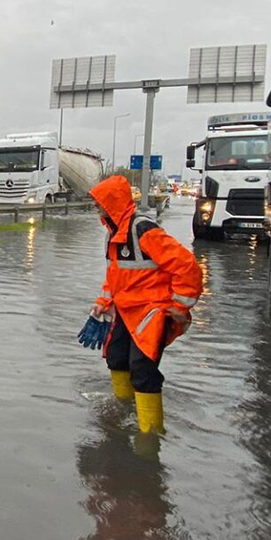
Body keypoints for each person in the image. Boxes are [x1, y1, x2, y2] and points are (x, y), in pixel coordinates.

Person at [88, 175, 203, 434]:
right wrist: (103, 302)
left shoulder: (144, 230)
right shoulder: (112, 234)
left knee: (142, 370)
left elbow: (187, 266)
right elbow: (115, 277)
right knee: (116, 358)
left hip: (152, 311)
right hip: (127, 311)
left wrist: (180, 306)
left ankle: (150, 437)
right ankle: (123, 415)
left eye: (99, 202)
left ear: (113, 202)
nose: (96, 207)